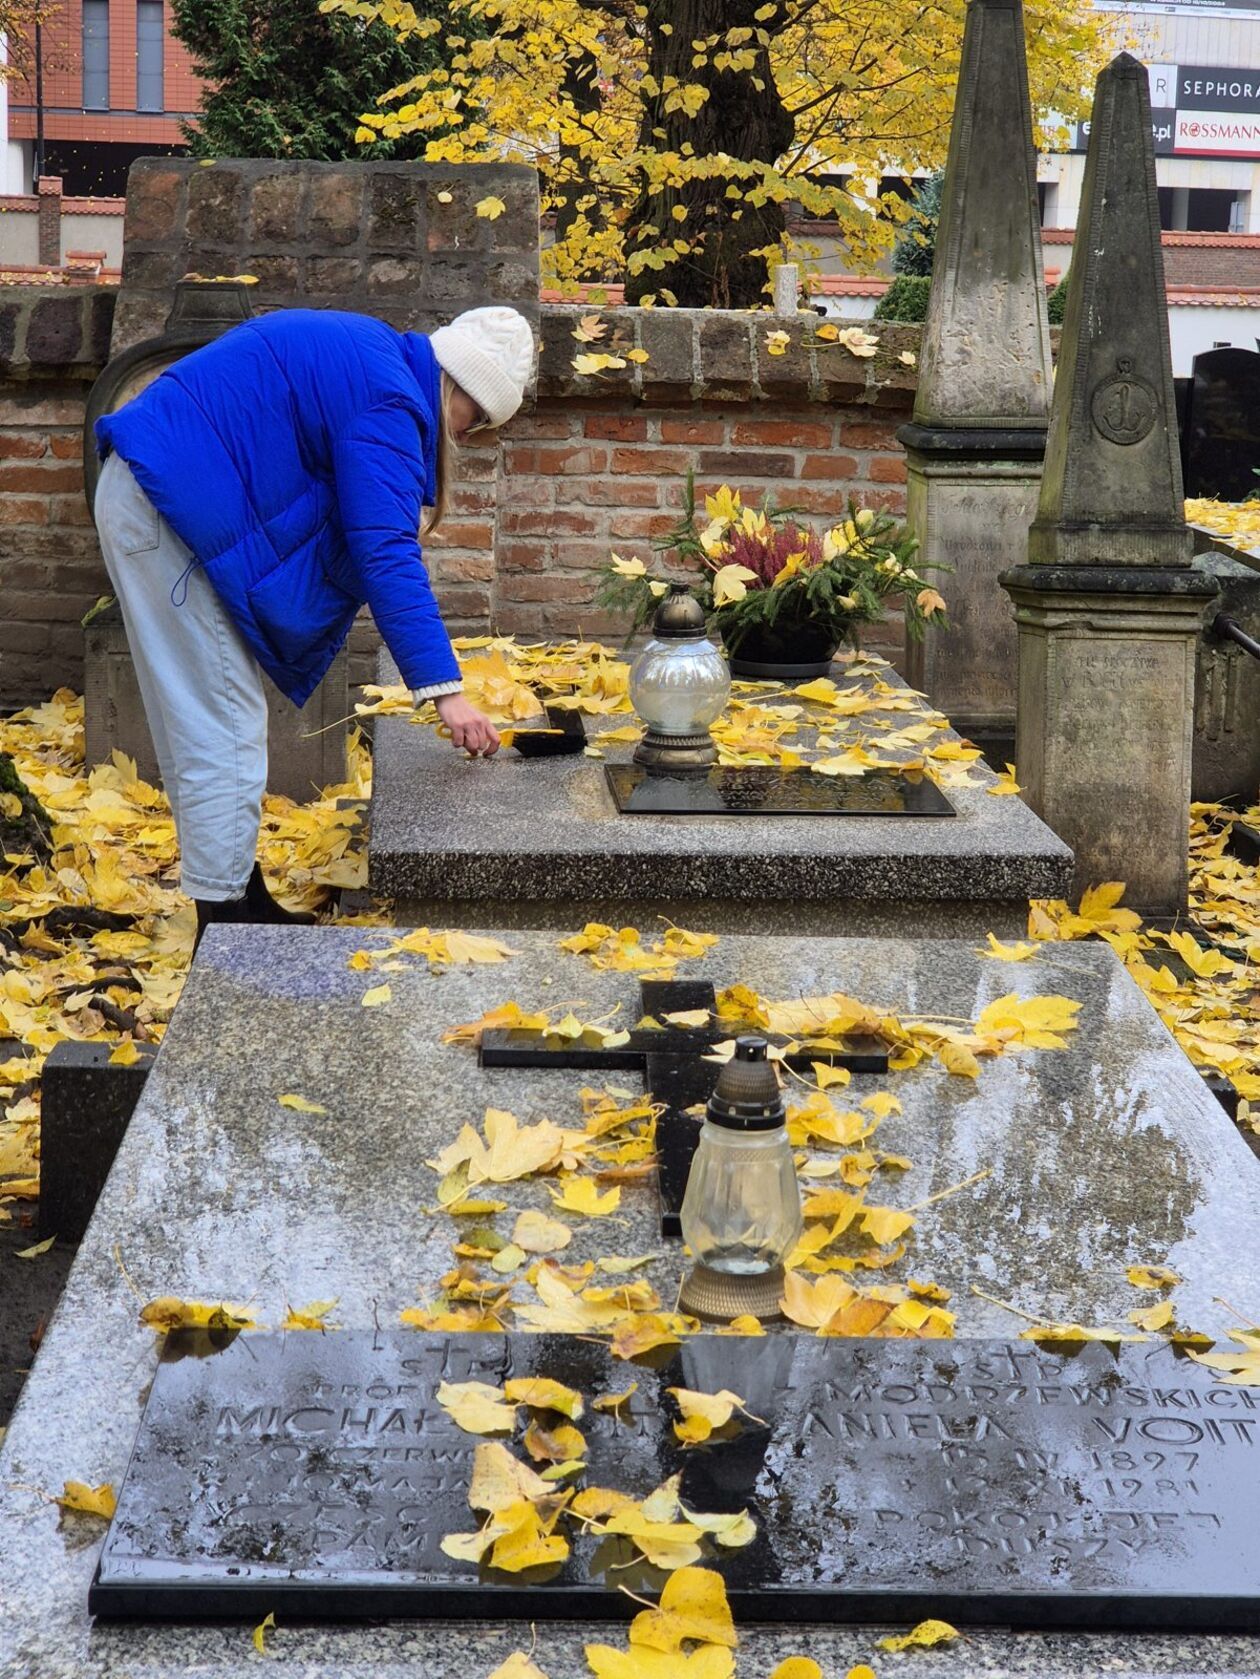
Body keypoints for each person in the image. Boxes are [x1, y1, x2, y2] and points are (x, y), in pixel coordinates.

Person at [92, 303, 533, 944]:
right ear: (460, 386)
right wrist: (446, 691)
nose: (465, 436)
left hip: (148, 496)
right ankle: (228, 932)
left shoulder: (373, 356)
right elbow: (384, 550)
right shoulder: (391, 400)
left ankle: (236, 895)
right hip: (167, 511)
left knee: (202, 722)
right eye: (476, 419)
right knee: (225, 725)